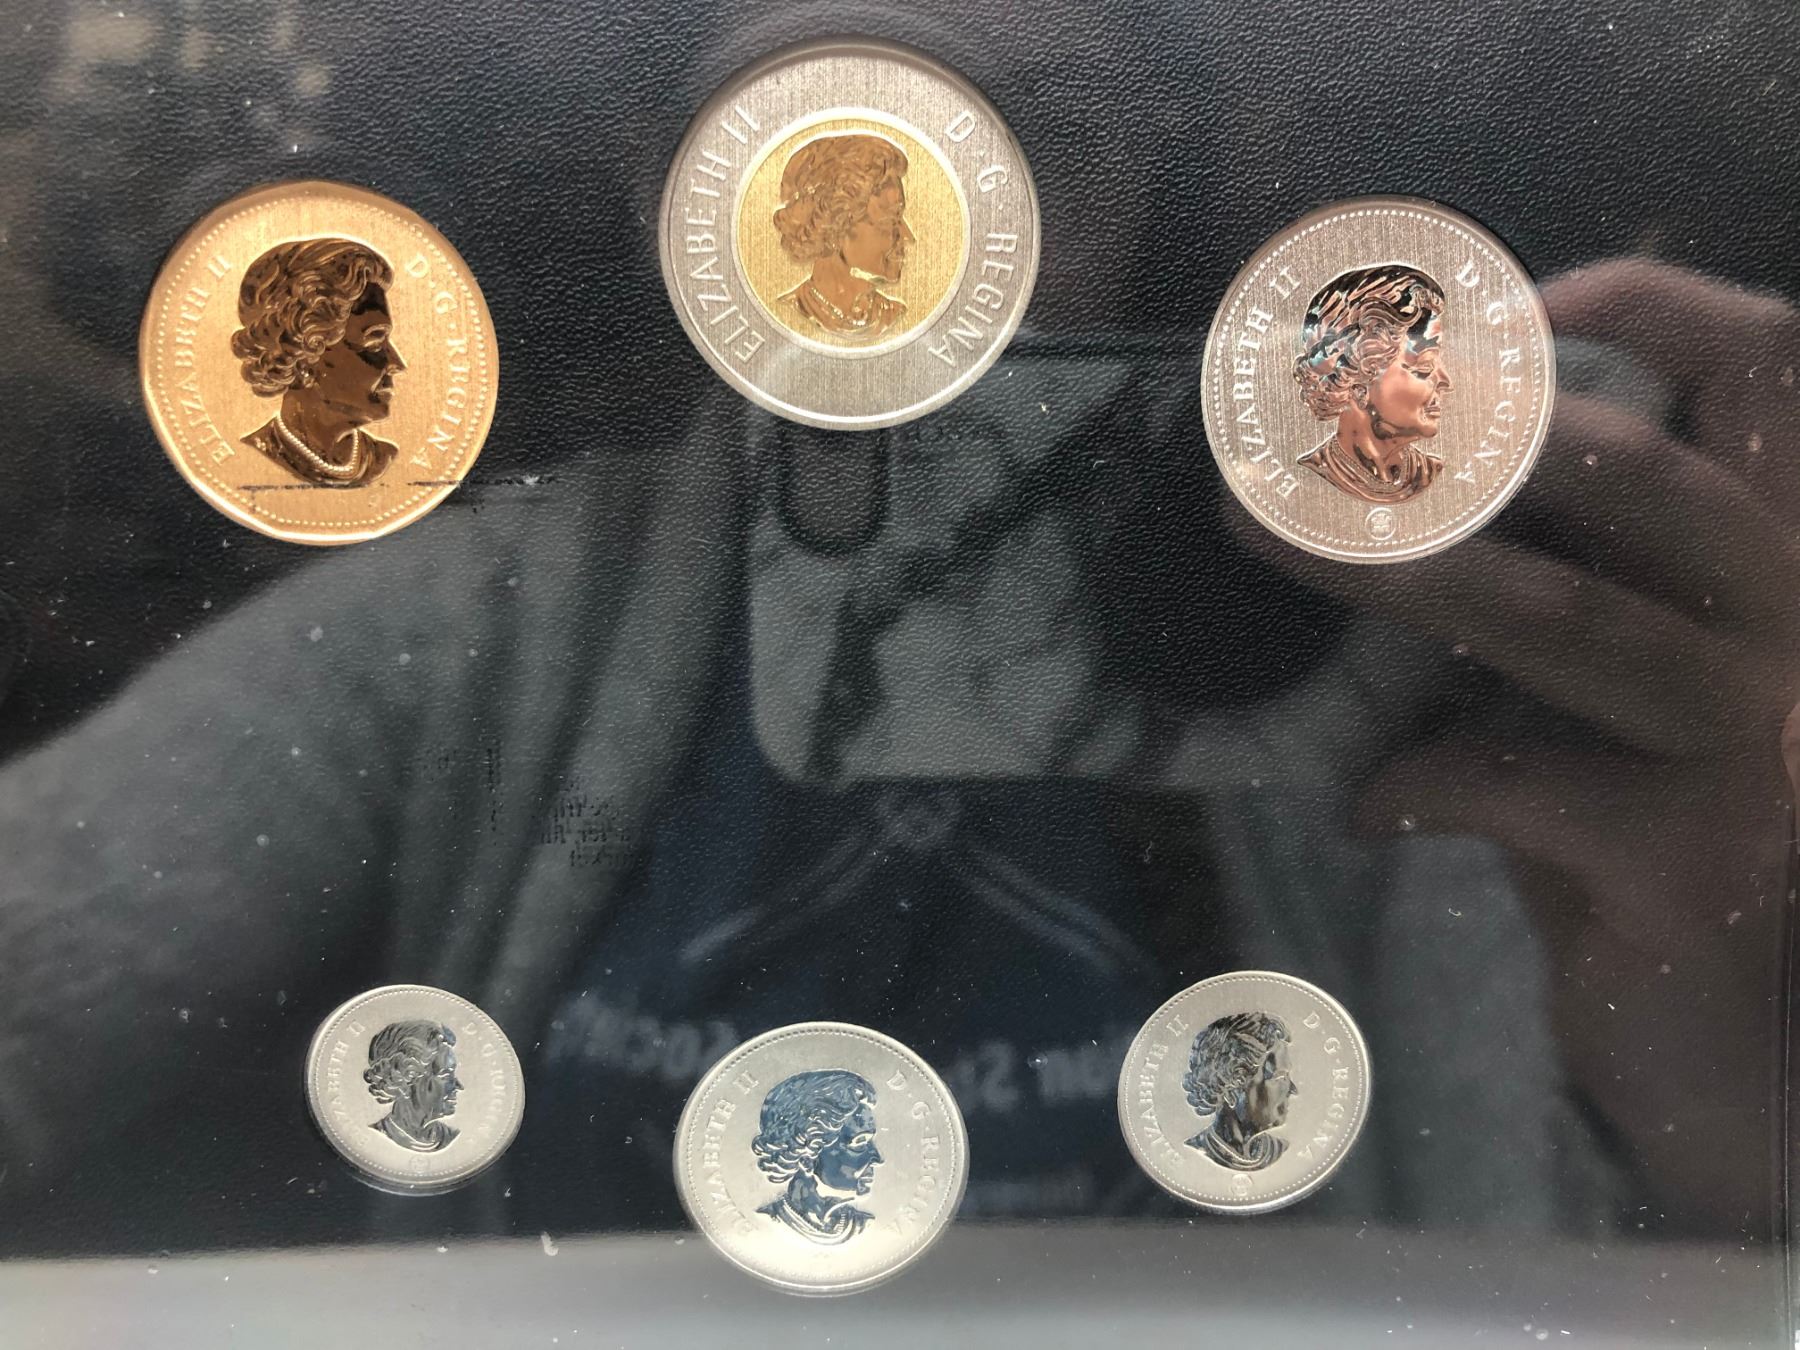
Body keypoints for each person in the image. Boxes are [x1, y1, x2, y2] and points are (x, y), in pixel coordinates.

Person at [231, 238, 406, 487]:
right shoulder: (251, 462)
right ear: (304, 354)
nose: (396, 363)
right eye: (374, 341)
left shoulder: (385, 459)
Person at [1292, 265, 1452, 503]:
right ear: (1357, 384)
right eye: (1424, 367)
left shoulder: (1432, 473)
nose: (1446, 381)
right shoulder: (1313, 478)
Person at [773, 133, 913, 342]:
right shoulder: (789, 313)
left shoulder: (895, 316)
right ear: (836, 225)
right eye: (890, 220)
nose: (907, 237)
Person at [750, 1070, 882, 1243]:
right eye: (860, 1142)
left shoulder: (865, 1226)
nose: (878, 1158)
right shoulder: (766, 1223)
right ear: (807, 1158)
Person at [1182, 1011, 1294, 1171]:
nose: (1292, 1090)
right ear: (1233, 1089)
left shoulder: (1280, 1150)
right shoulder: (1194, 1157)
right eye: (1279, 1077)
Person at [363, 1020, 462, 1153]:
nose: (458, 1086)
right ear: (405, 1079)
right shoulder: (376, 1139)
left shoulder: (453, 1137)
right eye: (445, 1075)